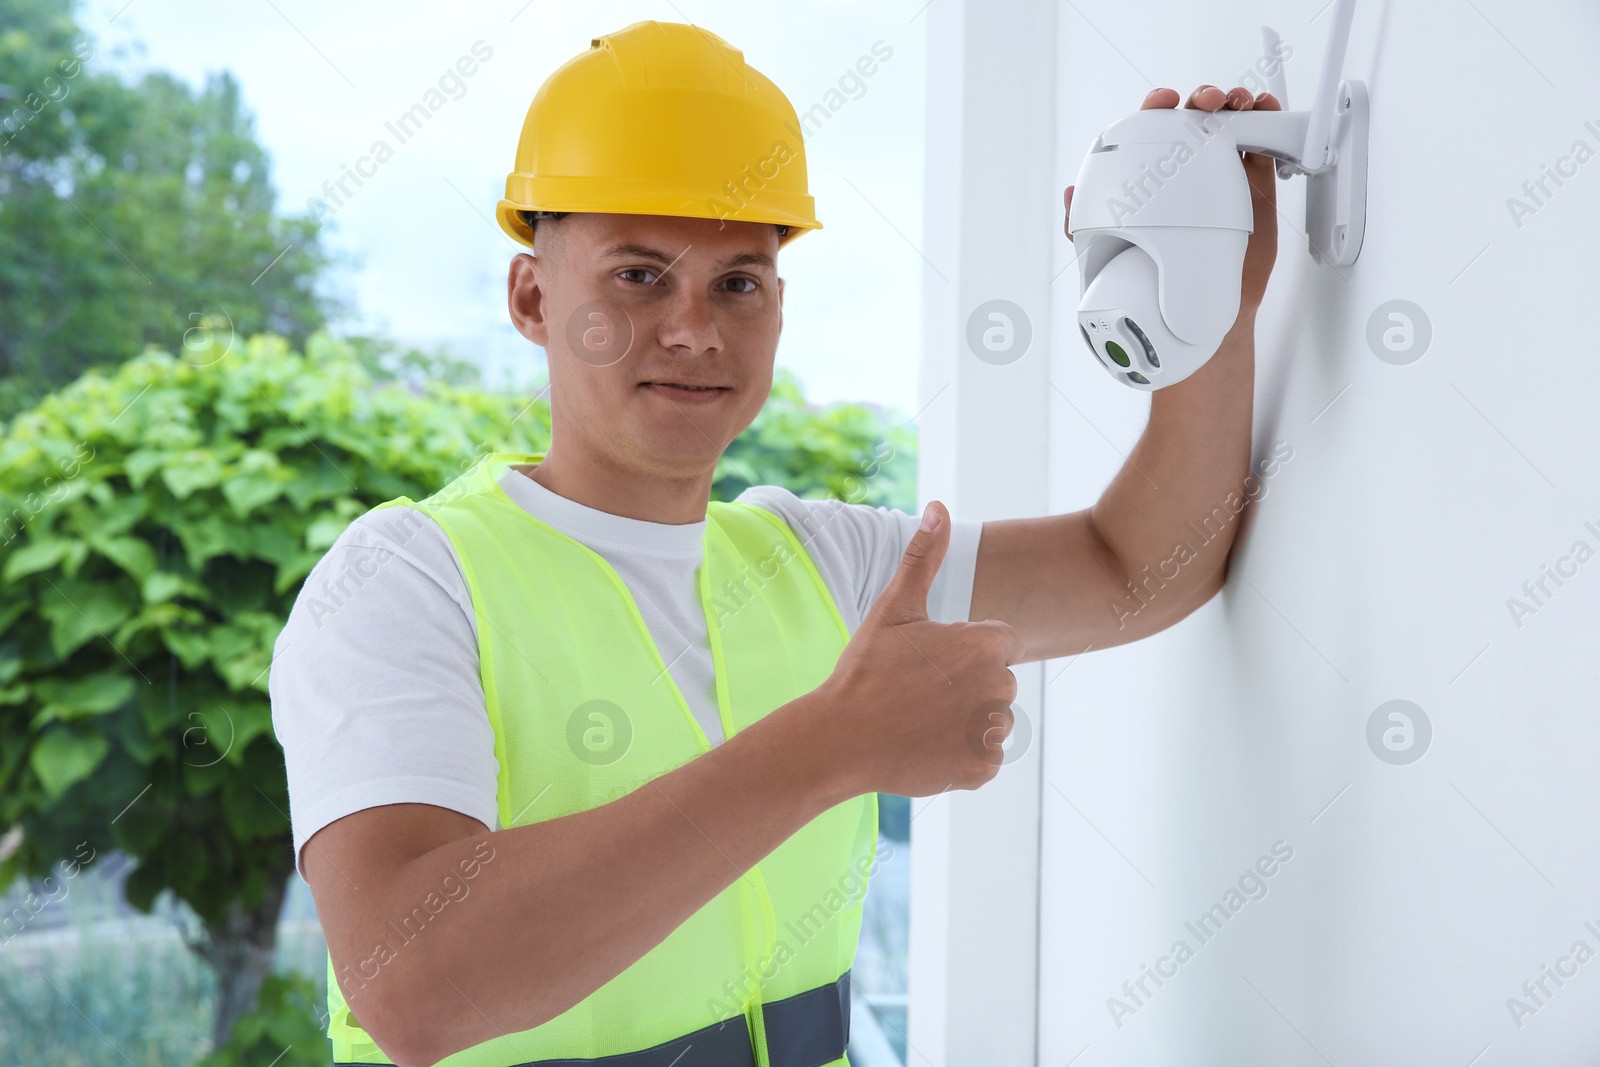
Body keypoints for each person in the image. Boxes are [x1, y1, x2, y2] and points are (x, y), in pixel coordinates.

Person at [269, 19, 1280, 1067]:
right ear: (532, 296)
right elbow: (417, 984)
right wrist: (837, 742)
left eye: (738, 282)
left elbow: (1135, 566)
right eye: (638, 275)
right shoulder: (408, 579)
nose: (695, 329)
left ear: (780, 308)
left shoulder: (819, 560)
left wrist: (1208, 297)